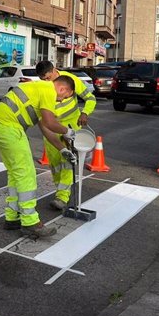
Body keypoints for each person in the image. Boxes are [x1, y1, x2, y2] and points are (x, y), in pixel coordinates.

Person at [0, 76, 79, 239]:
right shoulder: (48, 90)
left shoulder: (38, 89)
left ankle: (12, 217)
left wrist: (62, 149)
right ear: (63, 89)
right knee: (27, 174)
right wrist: (69, 132)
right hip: (10, 128)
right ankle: (30, 222)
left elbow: (45, 127)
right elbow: (51, 123)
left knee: (15, 173)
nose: (61, 100)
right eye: (64, 97)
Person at [36, 60, 97, 210]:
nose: (46, 82)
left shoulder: (70, 80)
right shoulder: (43, 86)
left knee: (69, 161)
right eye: (42, 79)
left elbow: (90, 98)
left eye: (48, 78)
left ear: (55, 71)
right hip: (51, 128)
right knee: (56, 164)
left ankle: (62, 197)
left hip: (71, 126)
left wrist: (84, 113)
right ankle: (60, 191)